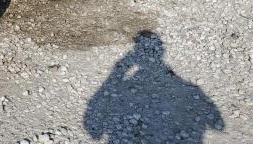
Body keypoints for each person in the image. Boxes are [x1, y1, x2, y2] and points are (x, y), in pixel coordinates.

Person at [84, 31, 224, 143]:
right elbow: (218, 124)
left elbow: (93, 130)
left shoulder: (125, 86)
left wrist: (120, 69)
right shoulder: (191, 90)